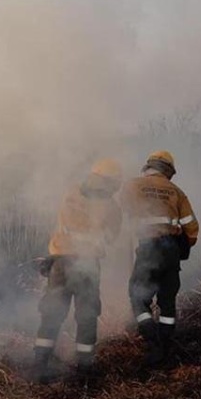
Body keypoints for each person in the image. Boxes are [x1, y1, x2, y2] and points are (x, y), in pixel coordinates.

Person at [33, 158, 123, 382]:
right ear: (112, 181)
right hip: (87, 265)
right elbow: (112, 236)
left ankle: (40, 363)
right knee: (87, 315)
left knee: (53, 311)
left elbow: (60, 223)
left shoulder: (71, 193)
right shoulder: (111, 206)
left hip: (59, 262)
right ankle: (85, 368)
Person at [121, 150, 199, 365]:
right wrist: (184, 246)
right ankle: (165, 344)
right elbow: (192, 228)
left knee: (137, 296)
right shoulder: (176, 192)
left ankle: (150, 337)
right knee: (167, 300)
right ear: (168, 171)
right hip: (171, 250)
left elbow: (121, 212)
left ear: (149, 167)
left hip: (148, 248)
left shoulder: (132, 186)